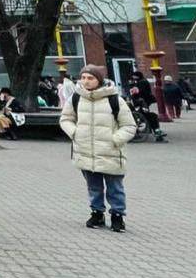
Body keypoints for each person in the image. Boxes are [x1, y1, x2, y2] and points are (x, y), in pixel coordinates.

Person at [58, 65, 137, 233]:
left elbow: (129, 126)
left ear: (99, 80)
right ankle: (97, 213)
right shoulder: (76, 98)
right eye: (84, 78)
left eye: (90, 78)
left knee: (115, 187)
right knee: (93, 187)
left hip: (111, 152)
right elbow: (66, 119)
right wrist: (75, 133)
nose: (86, 81)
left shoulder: (114, 99)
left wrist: (115, 139)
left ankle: (117, 216)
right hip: (86, 150)